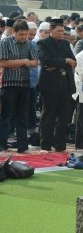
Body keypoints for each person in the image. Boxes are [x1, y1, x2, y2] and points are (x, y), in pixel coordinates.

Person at [37, 18, 76, 153]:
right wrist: (64, 61)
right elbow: (46, 60)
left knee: (64, 115)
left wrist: (57, 63)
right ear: (51, 30)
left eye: (62, 31)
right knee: (48, 115)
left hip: (65, 83)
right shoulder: (43, 43)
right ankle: (45, 145)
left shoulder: (66, 44)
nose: (61, 33)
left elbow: (73, 61)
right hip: (50, 84)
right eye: (58, 31)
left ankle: (60, 144)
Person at [0, 19, 39, 153]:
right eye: (21, 34)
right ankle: (2, 144)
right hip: (9, 84)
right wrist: (23, 61)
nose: (24, 37)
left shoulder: (29, 44)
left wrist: (22, 63)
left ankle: (22, 146)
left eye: (26, 34)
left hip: (25, 84)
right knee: (7, 115)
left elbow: (35, 62)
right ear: (13, 32)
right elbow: (3, 63)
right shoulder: (5, 42)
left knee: (23, 117)